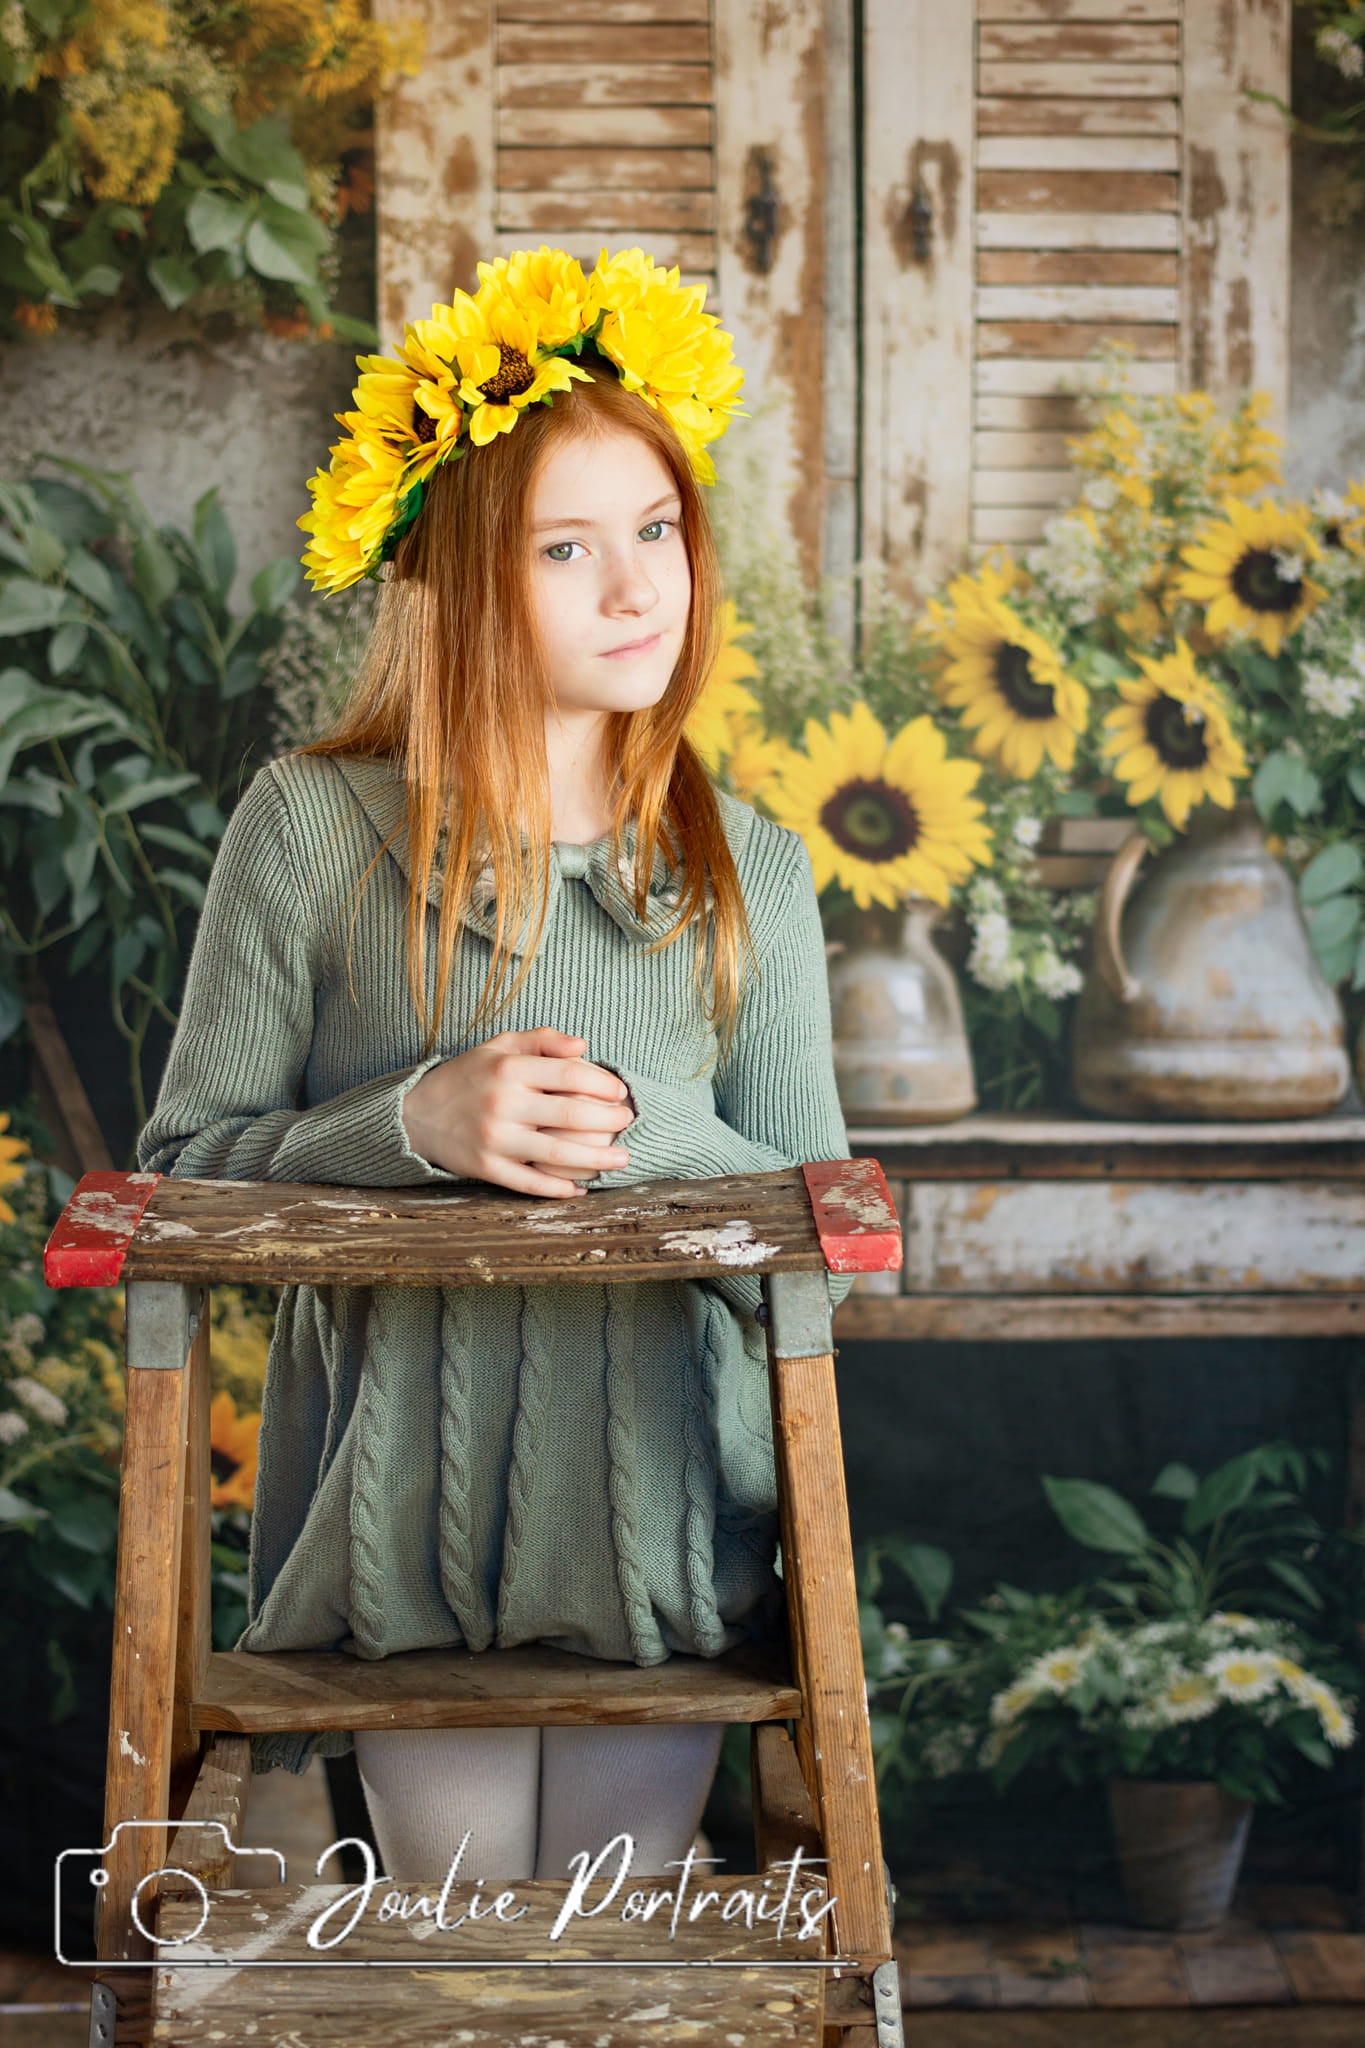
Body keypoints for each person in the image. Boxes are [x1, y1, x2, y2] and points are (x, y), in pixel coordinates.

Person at [136, 245, 856, 1887]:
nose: (636, 588)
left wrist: (644, 1125)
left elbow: (824, 1237)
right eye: (565, 547)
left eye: (656, 531)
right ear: (459, 581)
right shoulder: (310, 830)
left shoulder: (750, 864)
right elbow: (179, 1166)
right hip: (400, 1539)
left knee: (614, 1961)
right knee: (457, 1959)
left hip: (661, 1539)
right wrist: (408, 1121)